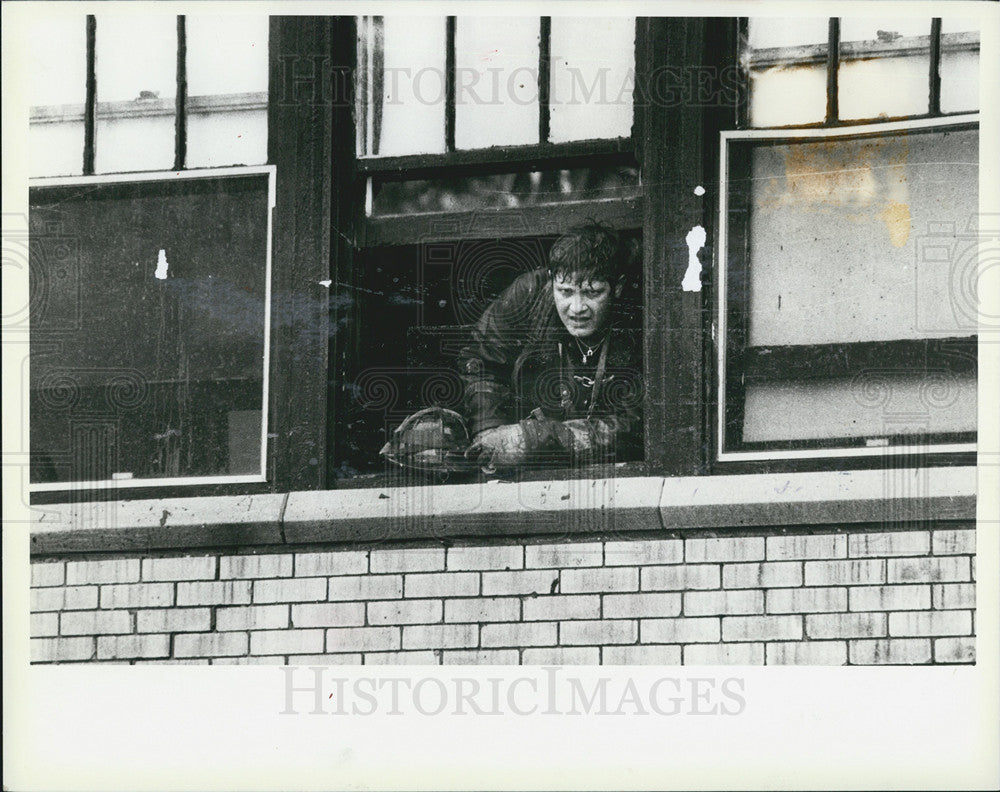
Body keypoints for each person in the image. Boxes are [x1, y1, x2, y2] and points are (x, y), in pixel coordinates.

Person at [459, 222, 643, 470]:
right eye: (565, 291)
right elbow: (482, 360)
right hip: (520, 464)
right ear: (551, 281)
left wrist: (536, 439)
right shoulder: (528, 296)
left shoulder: (638, 320)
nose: (577, 308)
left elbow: (637, 423)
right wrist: (488, 429)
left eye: (592, 292)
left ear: (617, 287)